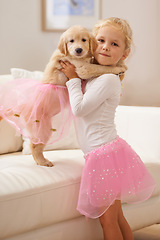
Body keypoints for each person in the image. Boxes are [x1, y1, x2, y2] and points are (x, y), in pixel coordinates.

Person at [60, 17, 156, 240]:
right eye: (101, 40)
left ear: (124, 54)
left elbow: (80, 109)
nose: (105, 46)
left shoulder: (108, 80)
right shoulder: (97, 76)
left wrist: (72, 79)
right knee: (118, 217)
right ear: (93, 44)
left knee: (107, 220)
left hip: (103, 156)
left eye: (114, 44)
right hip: (107, 153)